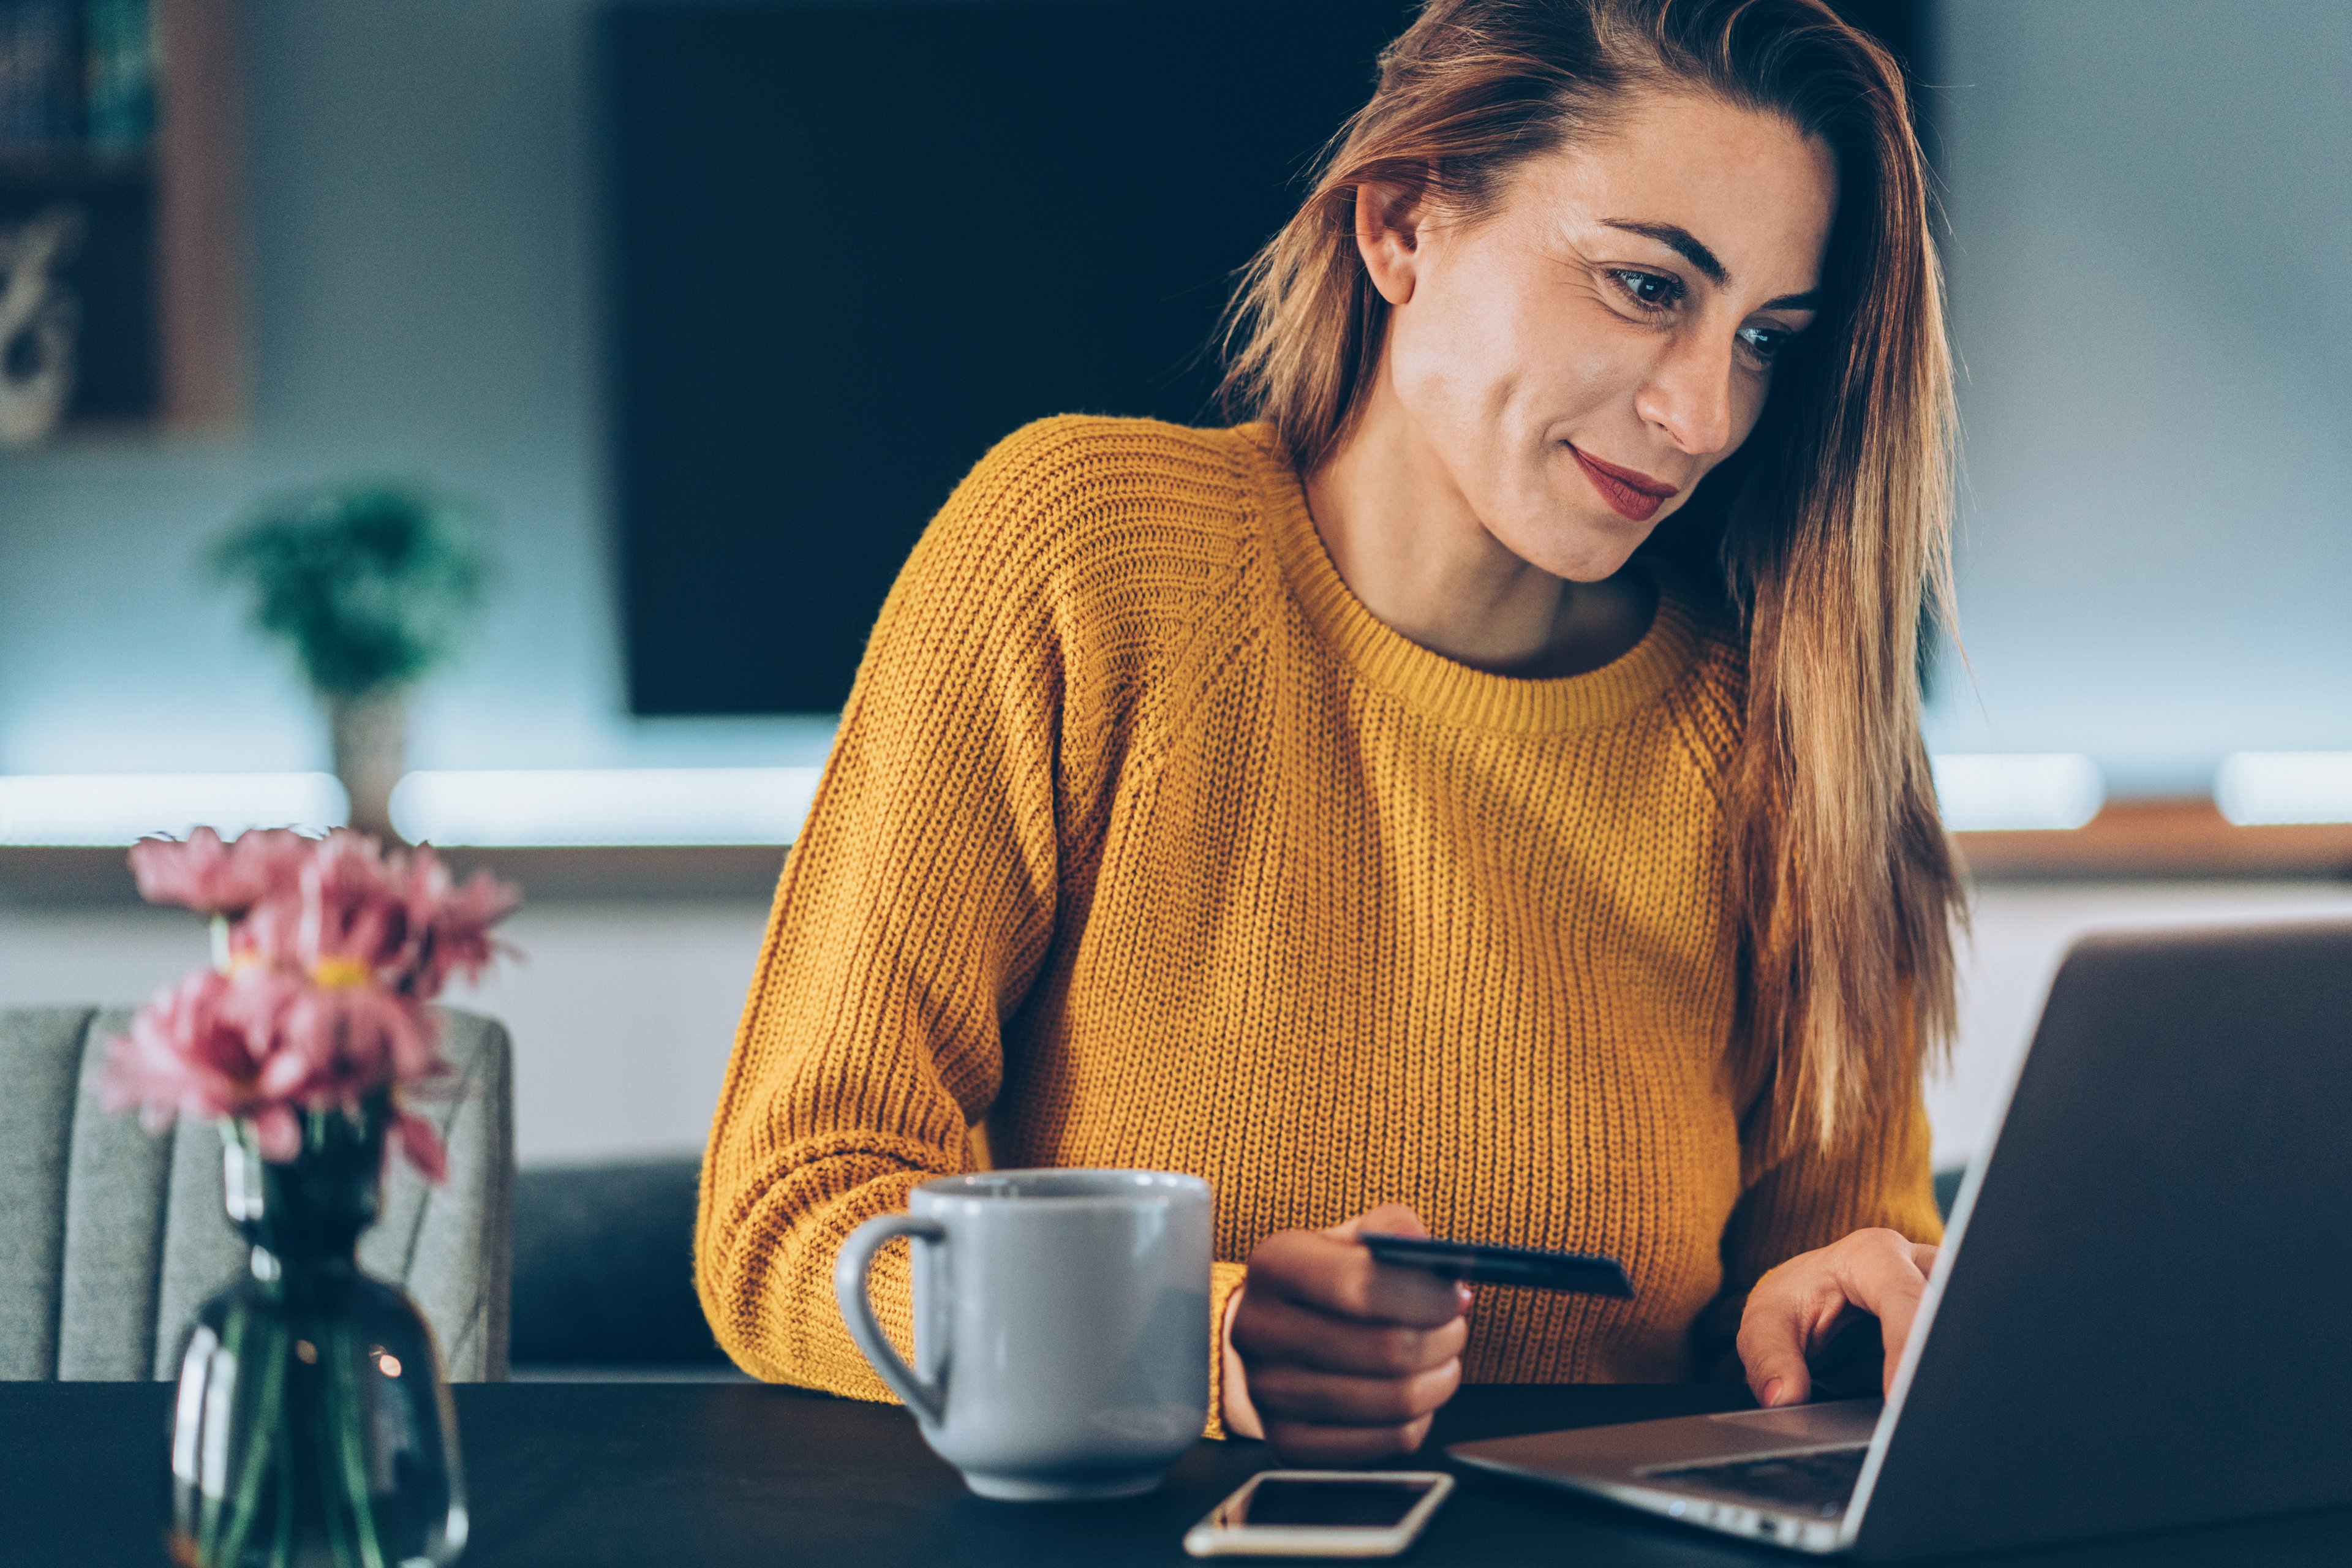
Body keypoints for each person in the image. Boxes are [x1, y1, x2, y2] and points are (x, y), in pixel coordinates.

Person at [697, 0, 1963, 1464]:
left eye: (1764, 340)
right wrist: (1195, 1341)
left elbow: (1836, 1282)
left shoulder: (1786, 727)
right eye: (1640, 285)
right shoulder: (1080, 562)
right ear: (1403, 224)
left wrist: (1828, 1310)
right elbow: (792, 1204)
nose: (1703, 411)